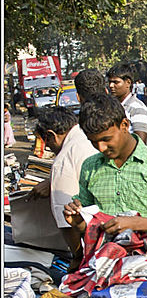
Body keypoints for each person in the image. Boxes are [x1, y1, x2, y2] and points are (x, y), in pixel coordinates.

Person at [62, 95, 147, 246]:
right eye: (93, 142)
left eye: (106, 139)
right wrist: (78, 221)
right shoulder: (90, 167)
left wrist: (134, 223)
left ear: (124, 125)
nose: (101, 148)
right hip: (105, 256)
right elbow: (87, 223)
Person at [28, 106, 98, 257]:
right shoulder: (89, 137)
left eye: (46, 142)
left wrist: (77, 257)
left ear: (51, 135)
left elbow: (66, 219)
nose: (49, 148)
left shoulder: (64, 159)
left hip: (93, 238)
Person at [107, 62, 147, 142]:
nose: (111, 85)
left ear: (128, 83)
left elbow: (140, 144)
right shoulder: (110, 106)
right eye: (110, 82)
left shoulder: (138, 108)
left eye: (116, 82)